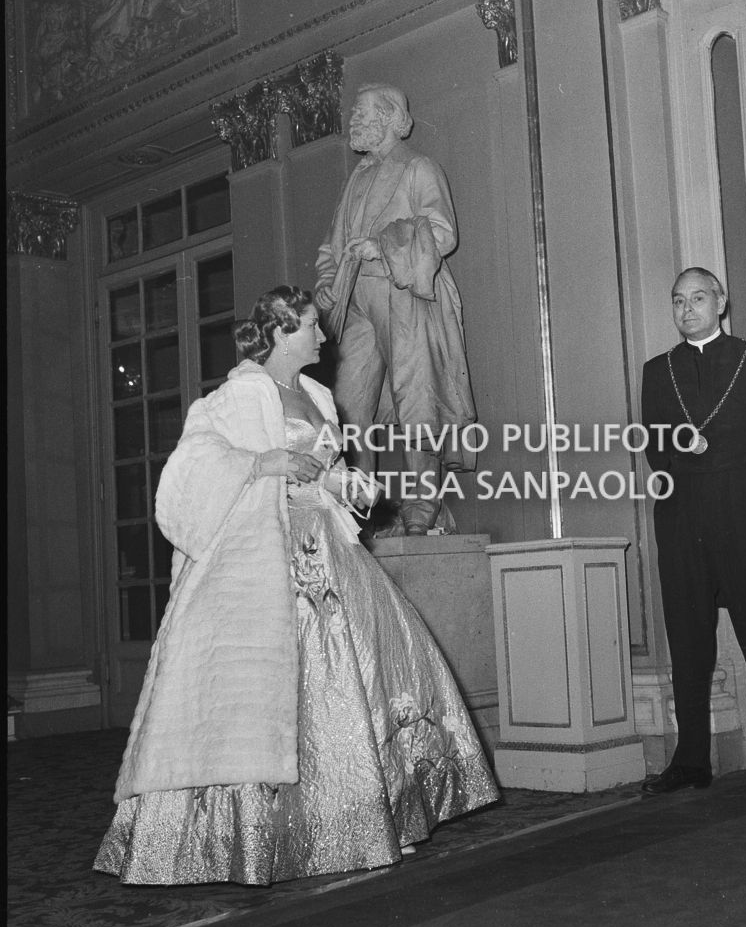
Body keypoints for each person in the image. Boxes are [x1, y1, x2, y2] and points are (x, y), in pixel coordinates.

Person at [94, 285, 498, 886]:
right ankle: (269, 833)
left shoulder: (314, 396)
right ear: (283, 332)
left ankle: (372, 819)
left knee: (371, 667)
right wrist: (265, 464)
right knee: (288, 686)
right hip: (268, 556)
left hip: (329, 550)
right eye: (312, 326)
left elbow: (324, 474)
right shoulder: (233, 398)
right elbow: (189, 474)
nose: (324, 337)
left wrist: (348, 487)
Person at [640, 267, 746, 796]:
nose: (687, 309)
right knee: (688, 643)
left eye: (698, 298)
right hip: (682, 519)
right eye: (678, 300)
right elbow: (655, 450)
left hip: (744, 515)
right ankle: (691, 762)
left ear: (721, 302)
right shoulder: (656, 371)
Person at [314, 82, 476, 535]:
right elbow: (332, 244)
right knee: (348, 406)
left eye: (362, 114)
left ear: (389, 117)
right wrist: (328, 283)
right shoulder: (358, 177)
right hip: (355, 301)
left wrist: (383, 247)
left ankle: (424, 502)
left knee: (415, 396)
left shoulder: (418, 168)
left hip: (403, 292)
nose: (353, 121)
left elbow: (443, 233)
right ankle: (363, 505)